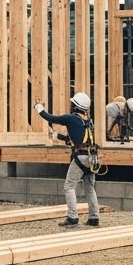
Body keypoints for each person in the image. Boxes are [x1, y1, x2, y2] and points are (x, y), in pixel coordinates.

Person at [34, 93, 101, 227]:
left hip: (81, 157)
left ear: (76, 105)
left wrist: (38, 107)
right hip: (92, 156)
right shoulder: (88, 120)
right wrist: (57, 136)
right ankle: (94, 217)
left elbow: (51, 118)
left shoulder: (71, 118)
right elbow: (77, 138)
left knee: (69, 186)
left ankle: (72, 217)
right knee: (89, 187)